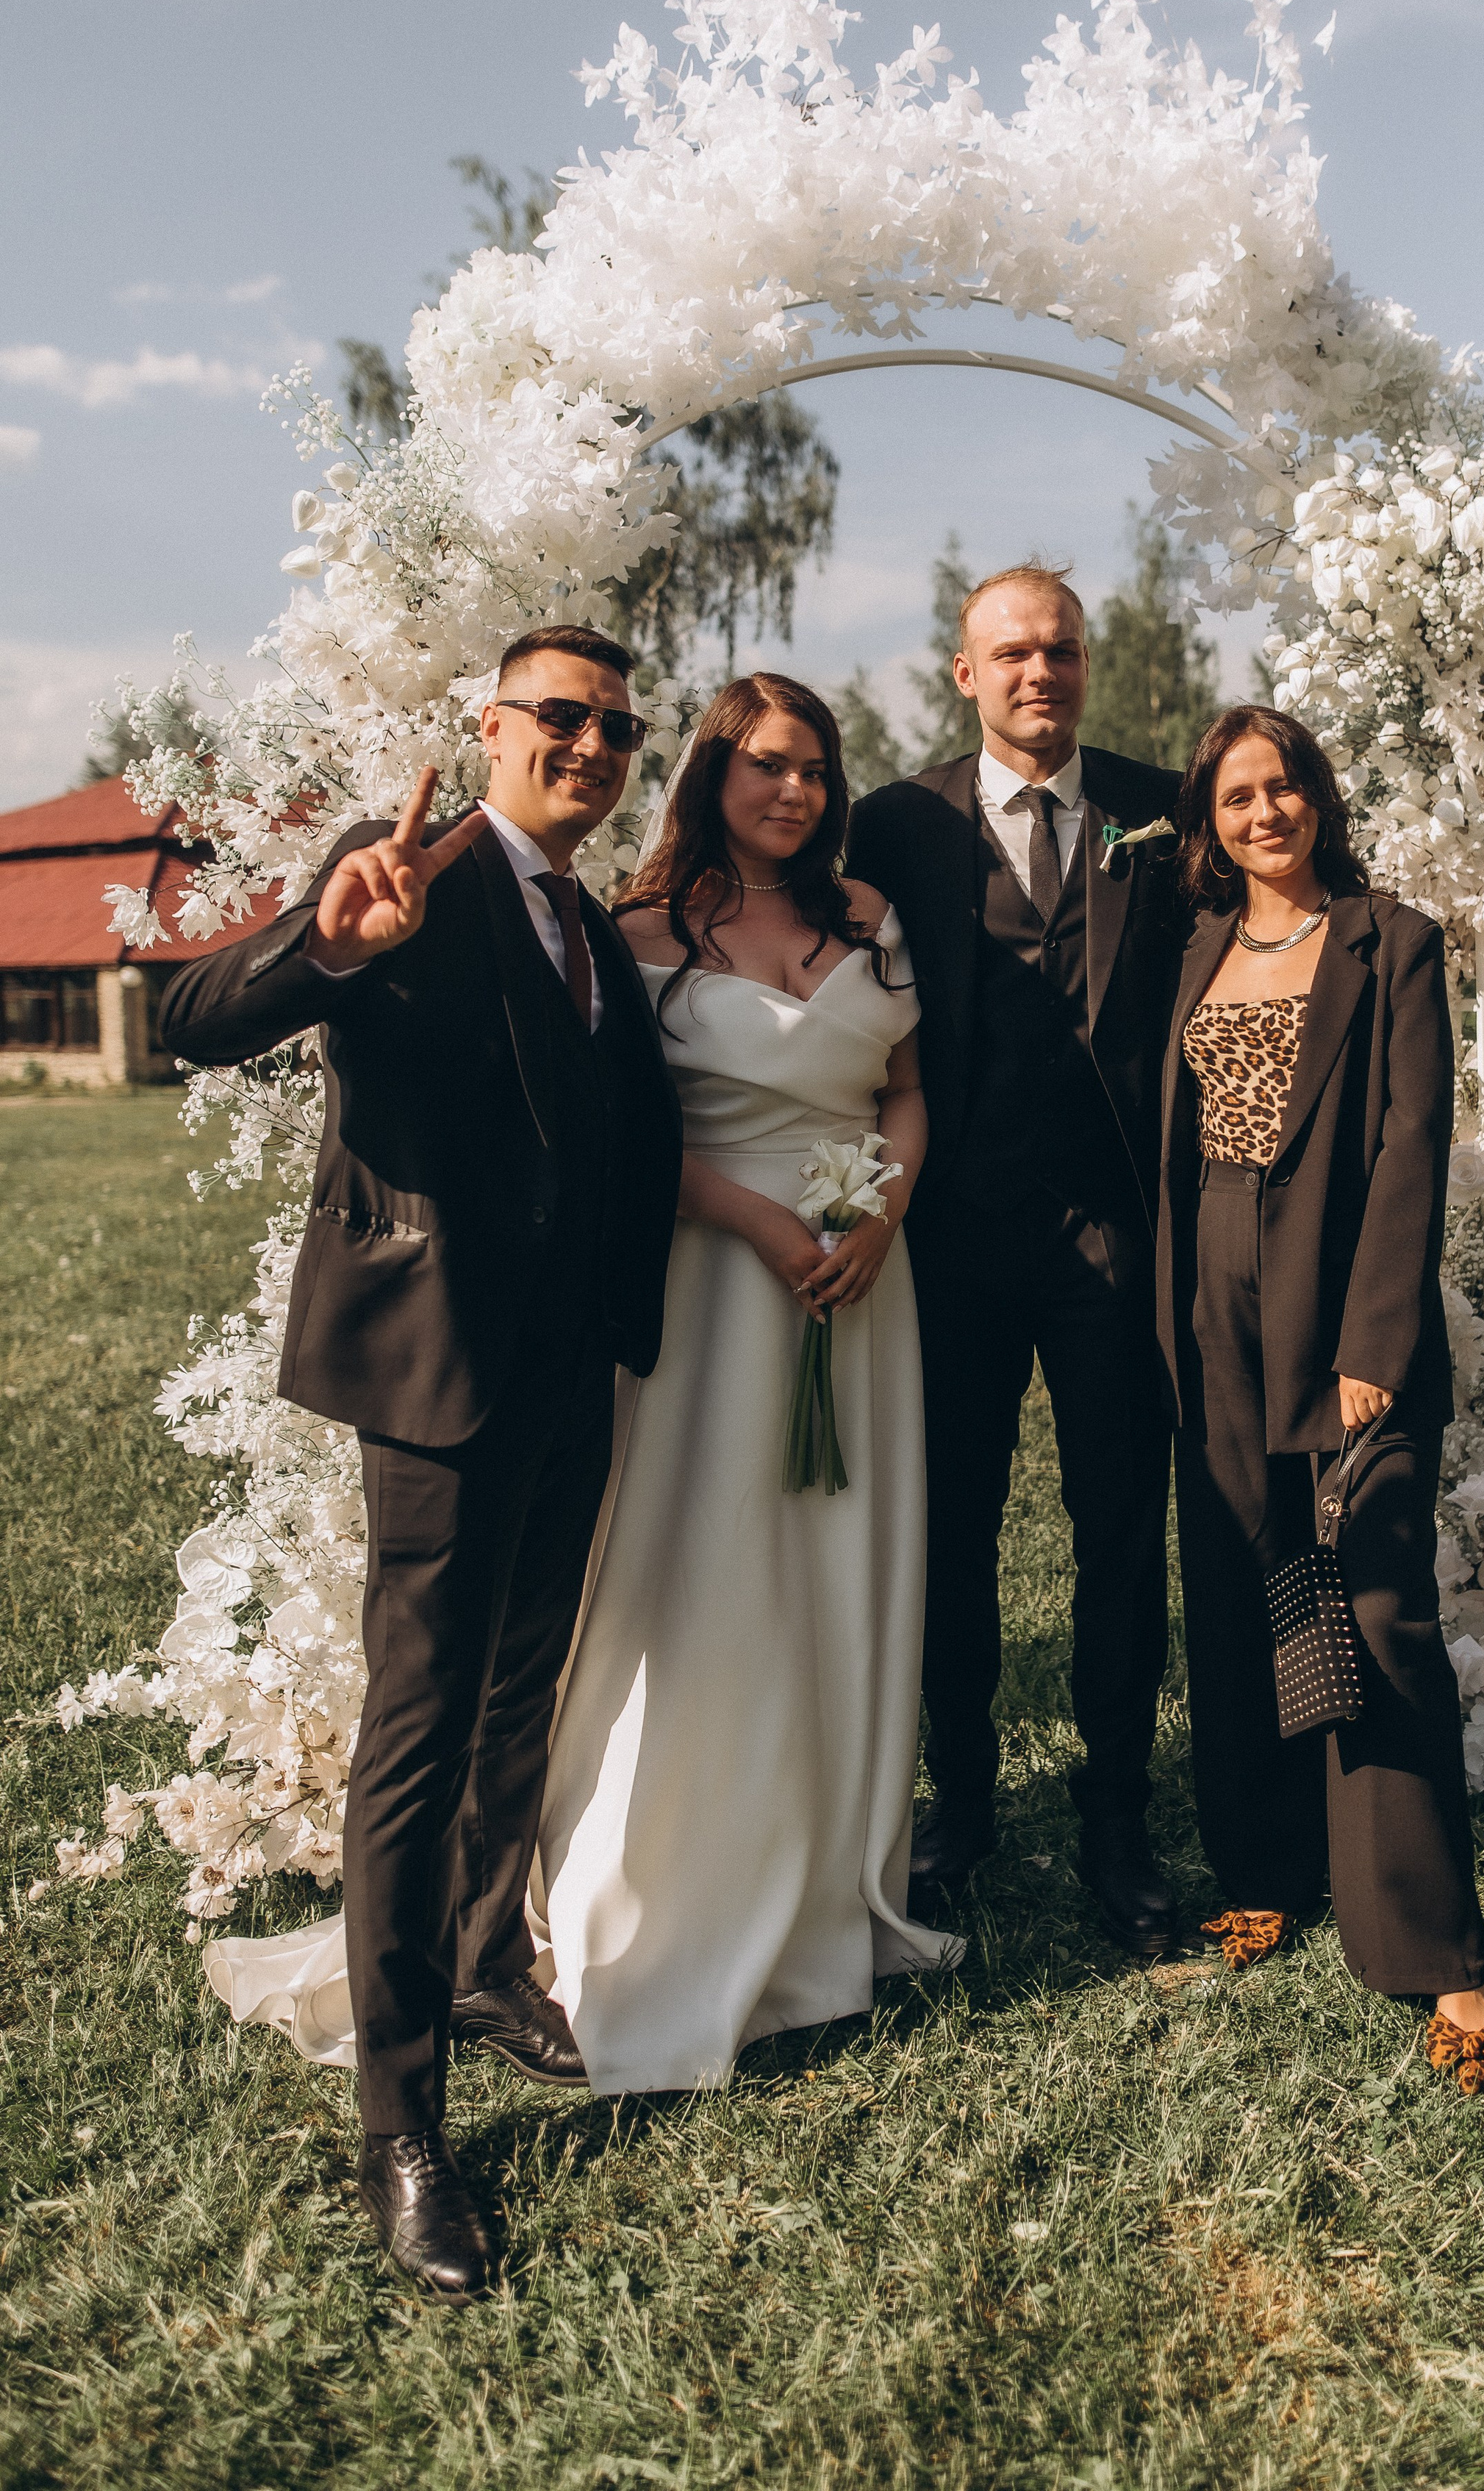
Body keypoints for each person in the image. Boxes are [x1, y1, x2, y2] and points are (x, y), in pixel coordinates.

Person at [157, 626, 684, 2298]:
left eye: (617, 728)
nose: (590, 746)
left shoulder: (590, 925)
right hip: (441, 1369)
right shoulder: (408, 877)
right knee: (419, 1725)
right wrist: (324, 946)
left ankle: (480, 1958)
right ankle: (404, 2126)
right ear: (492, 725)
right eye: (561, 716)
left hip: (572, 1370)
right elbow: (190, 1014)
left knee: (521, 1687)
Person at [535, 673, 958, 2084]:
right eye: (768, 764)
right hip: (716, 1281)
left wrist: (880, 1212)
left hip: (862, 1280)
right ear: (712, 775)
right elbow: (623, 1135)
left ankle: (834, 1871)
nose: (796, 791)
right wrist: (761, 1223)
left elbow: (904, 1090)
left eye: (816, 769)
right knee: (709, 1562)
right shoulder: (639, 933)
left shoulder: (868, 918)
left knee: (842, 1562)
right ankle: (668, 1878)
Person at [1154, 704, 1484, 2090]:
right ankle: (1266, 1870)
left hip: (1341, 1296)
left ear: (1318, 797)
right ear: (1211, 822)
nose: (1266, 813)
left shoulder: (1392, 941)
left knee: (1375, 1604)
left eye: (1285, 786)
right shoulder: (1197, 947)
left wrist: (1375, 1341)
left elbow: (1412, 1138)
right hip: (1212, 1304)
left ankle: (1440, 1956)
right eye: (1238, 796)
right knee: (1243, 1581)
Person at [847, 564, 1186, 1957]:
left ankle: (1118, 1818)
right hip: (952, 1239)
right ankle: (965, 1801)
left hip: (1118, 1232)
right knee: (951, 1534)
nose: (1041, 672)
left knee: (1122, 1532)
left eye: (1062, 650)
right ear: (965, 673)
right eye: (1013, 653)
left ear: (1086, 663)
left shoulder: (1165, 809)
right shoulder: (895, 823)